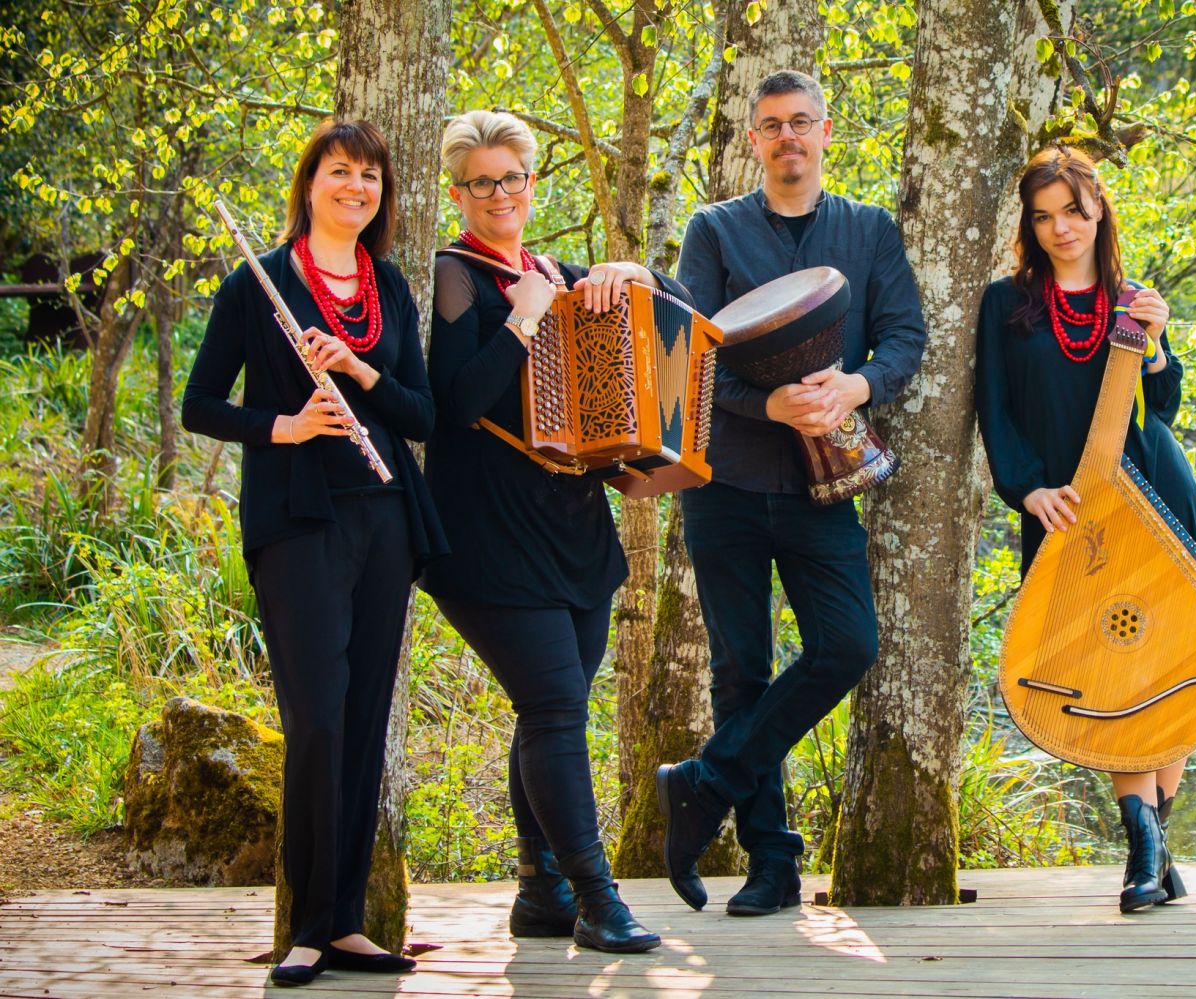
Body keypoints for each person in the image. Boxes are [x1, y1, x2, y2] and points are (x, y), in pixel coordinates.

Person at [182, 119, 446, 986]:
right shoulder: (254, 286)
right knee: (317, 723)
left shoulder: (391, 288)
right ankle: (302, 925)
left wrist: (362, 372)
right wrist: (287, 425)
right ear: (310, 184)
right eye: (340, 172)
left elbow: (423, 414)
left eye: (370, 175)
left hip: (385, 520)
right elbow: (201, 406)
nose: (356, 187)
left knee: (365, 723)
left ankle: (344, 925)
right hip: (299, 526)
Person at [657, 70, 927, 915]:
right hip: (727, 482)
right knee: (741, 670)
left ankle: (704, 782)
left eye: (801, 122)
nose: (787, 138)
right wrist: (764, 402)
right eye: (771, 125)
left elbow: (905, 335)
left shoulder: (868, 229)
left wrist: (858, 386)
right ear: (752, 139)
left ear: (825, 131)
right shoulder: (714, 231)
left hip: (826, 487)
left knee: (846, 645)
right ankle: (772, 864)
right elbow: (689, 354)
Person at [419, 109, 683, 953]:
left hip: (574, 529)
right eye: (482, 182)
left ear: (534, 184)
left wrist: (625, 267)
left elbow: (671, 317)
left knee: (547, 712)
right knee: (556, 707)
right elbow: (454, 403)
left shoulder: (554, 271)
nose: (501, 193)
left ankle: (539, 889)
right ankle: (597, 898)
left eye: (513, 177)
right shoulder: (452, 276)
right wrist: (524, 315)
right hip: (486, 534)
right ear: (460, 193)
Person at [974, 144, 1196, 913]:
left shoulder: (1134, 298)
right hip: (1068, 510)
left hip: (1156, 495)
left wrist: (1157, 347)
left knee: (1175, 658)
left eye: (1074, 210)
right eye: (1044, 215)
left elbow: (1161, 411)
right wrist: (1027, 491)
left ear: (1099, 212)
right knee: (1103, 664)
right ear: (1030, 225)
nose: (1061, 227)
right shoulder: (1006, 303)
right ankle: (1151, 853)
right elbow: (993, 411)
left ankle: (1147, 845)